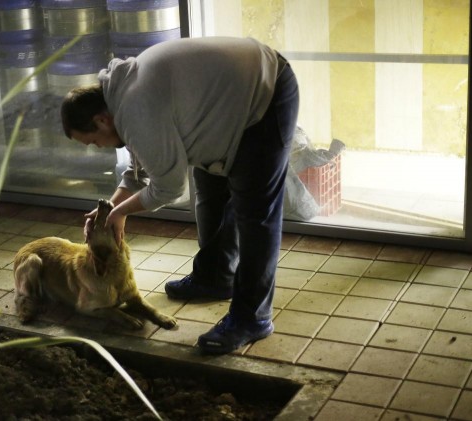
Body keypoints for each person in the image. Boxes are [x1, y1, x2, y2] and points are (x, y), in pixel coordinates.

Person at [60, 36, 299, 354]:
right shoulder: (120, 96)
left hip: (264, 94)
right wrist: (108, 207)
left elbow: (169, 187)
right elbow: (140, 170)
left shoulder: (134, 109)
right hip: (225, 101)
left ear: (100, 120)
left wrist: (120, 213)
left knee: (255, 215)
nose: (97, 148)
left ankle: (252, 318)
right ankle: (215, 277)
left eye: (92, 142)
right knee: (211, 196)